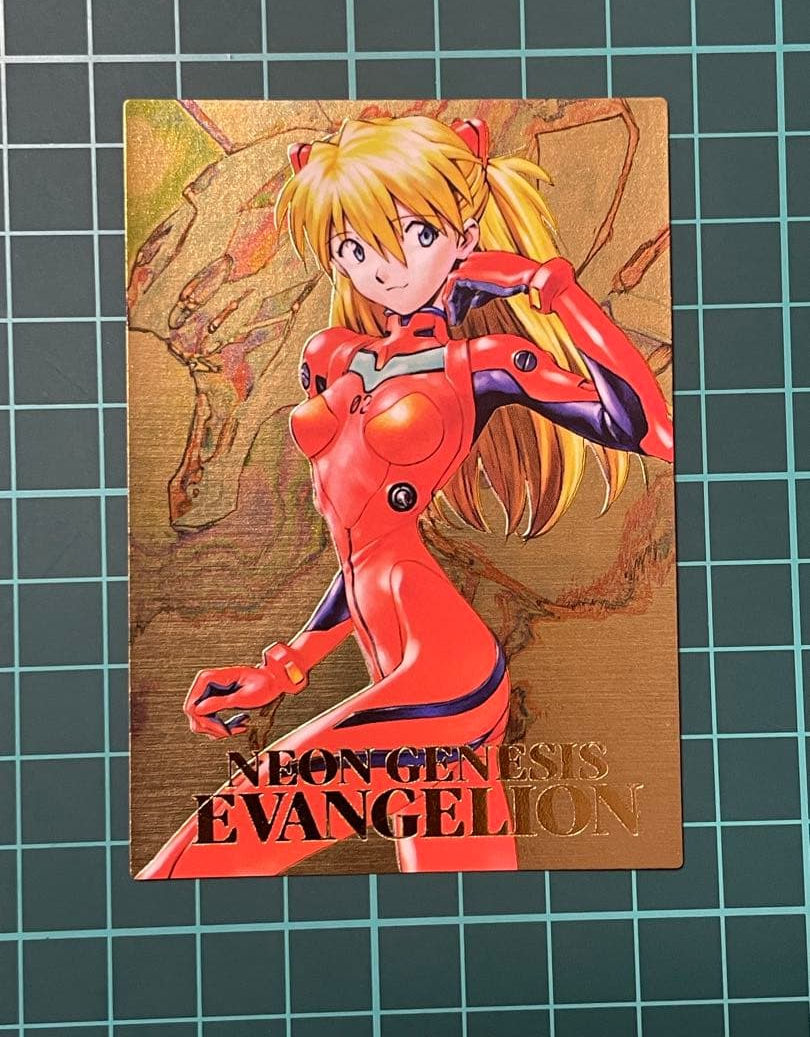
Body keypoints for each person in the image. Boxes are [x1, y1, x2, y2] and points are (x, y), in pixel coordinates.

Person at [137, 114, 672, 879]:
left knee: (202, 861)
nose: (383, 268)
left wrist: (548, 287)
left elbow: (647, 428)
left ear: (465, 237)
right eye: (353, 248)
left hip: (445, 676)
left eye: (417, 234)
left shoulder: (485, 365)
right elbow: (363, 551)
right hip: (389, 655)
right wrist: (284, 669)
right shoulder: (333, 357)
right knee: (470, 904)